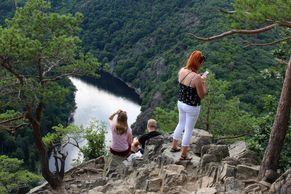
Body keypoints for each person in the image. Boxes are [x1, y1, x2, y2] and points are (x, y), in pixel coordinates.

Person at [171, 50, 207, 160]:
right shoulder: (196, 78)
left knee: (180, 123)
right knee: (188, 129)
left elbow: (186, 83)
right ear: (198, 63)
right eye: (201, 63)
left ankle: (174, 146)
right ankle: (184, 154)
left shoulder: (182, 70)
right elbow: (202, 95)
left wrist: (198, 79)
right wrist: (204, 82)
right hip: (192, 106)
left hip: (181, 102)